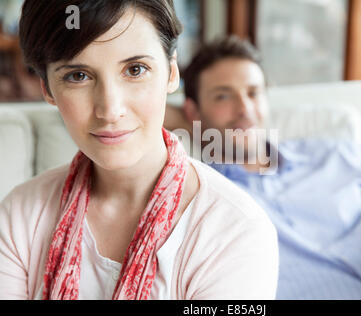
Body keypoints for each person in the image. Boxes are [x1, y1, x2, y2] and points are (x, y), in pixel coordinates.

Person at [0, 1, 278, 300]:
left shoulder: (234, 230)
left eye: (135, 70)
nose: (110, 110)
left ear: (172, 73)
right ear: (47, 89)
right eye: (78, 76)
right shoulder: (20, 215)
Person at [164, 36, 361, 300]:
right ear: (192, 111)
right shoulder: (201, 195)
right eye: (223, 96)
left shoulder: (332, 156)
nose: (245, 109)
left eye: (253, 92)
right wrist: (189, 120)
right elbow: (134, 109)